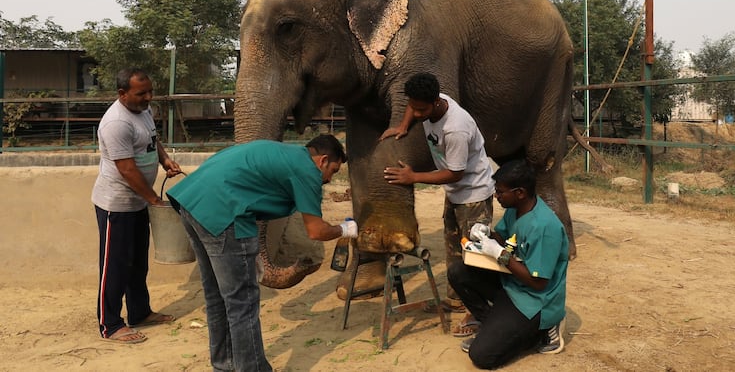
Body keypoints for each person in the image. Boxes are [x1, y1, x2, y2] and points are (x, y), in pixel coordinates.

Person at [166, 134, 358, 372]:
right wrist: (347, 228)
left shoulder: (284, 153)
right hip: (225, 213)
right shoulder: (306, 170)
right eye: (333, 171)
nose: (329, 179)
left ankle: (224, 365)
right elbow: (316, 231)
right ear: (322, 160)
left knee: (216, 295)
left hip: (191, 202)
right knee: (242, 302)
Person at [380, 72, 494, 337]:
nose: (416, 113)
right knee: (453, 249)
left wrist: (413, 177)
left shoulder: (456, 128)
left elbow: (456, 172)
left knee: (475, 255)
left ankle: (476, 312)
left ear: (435, 103)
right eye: (413, 107)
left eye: (421, 110)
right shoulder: (426, 105)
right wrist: (403, 126)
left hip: (473, 194)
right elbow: (411, 107)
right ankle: (456, 299)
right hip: (455, 194)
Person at [449, 159, 569, 369]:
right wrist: (487, 233)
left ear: (520, 192)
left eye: (500, 192)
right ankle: (492, 327)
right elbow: (505, 238)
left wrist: (500, 254)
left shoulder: (544, 227)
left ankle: (542, 329)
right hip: (512, 283)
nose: (496, 196)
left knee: (482, 357)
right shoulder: (516, 209)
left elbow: (537, 282)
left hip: (535, 301)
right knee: (459, 272)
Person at [91, 68, 182, 344]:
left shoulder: (144, 111)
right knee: (115, 264)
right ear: (122, 94)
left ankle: (140, 312)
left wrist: (164, 160)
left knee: (137, 263)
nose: (148, 97)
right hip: (116, 205)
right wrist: (154, 199)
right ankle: (110, 323)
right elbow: (127, 170)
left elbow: (153, 140)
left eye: (150, 91)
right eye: (141, 93)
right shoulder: (115, 123)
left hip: (138, 202)